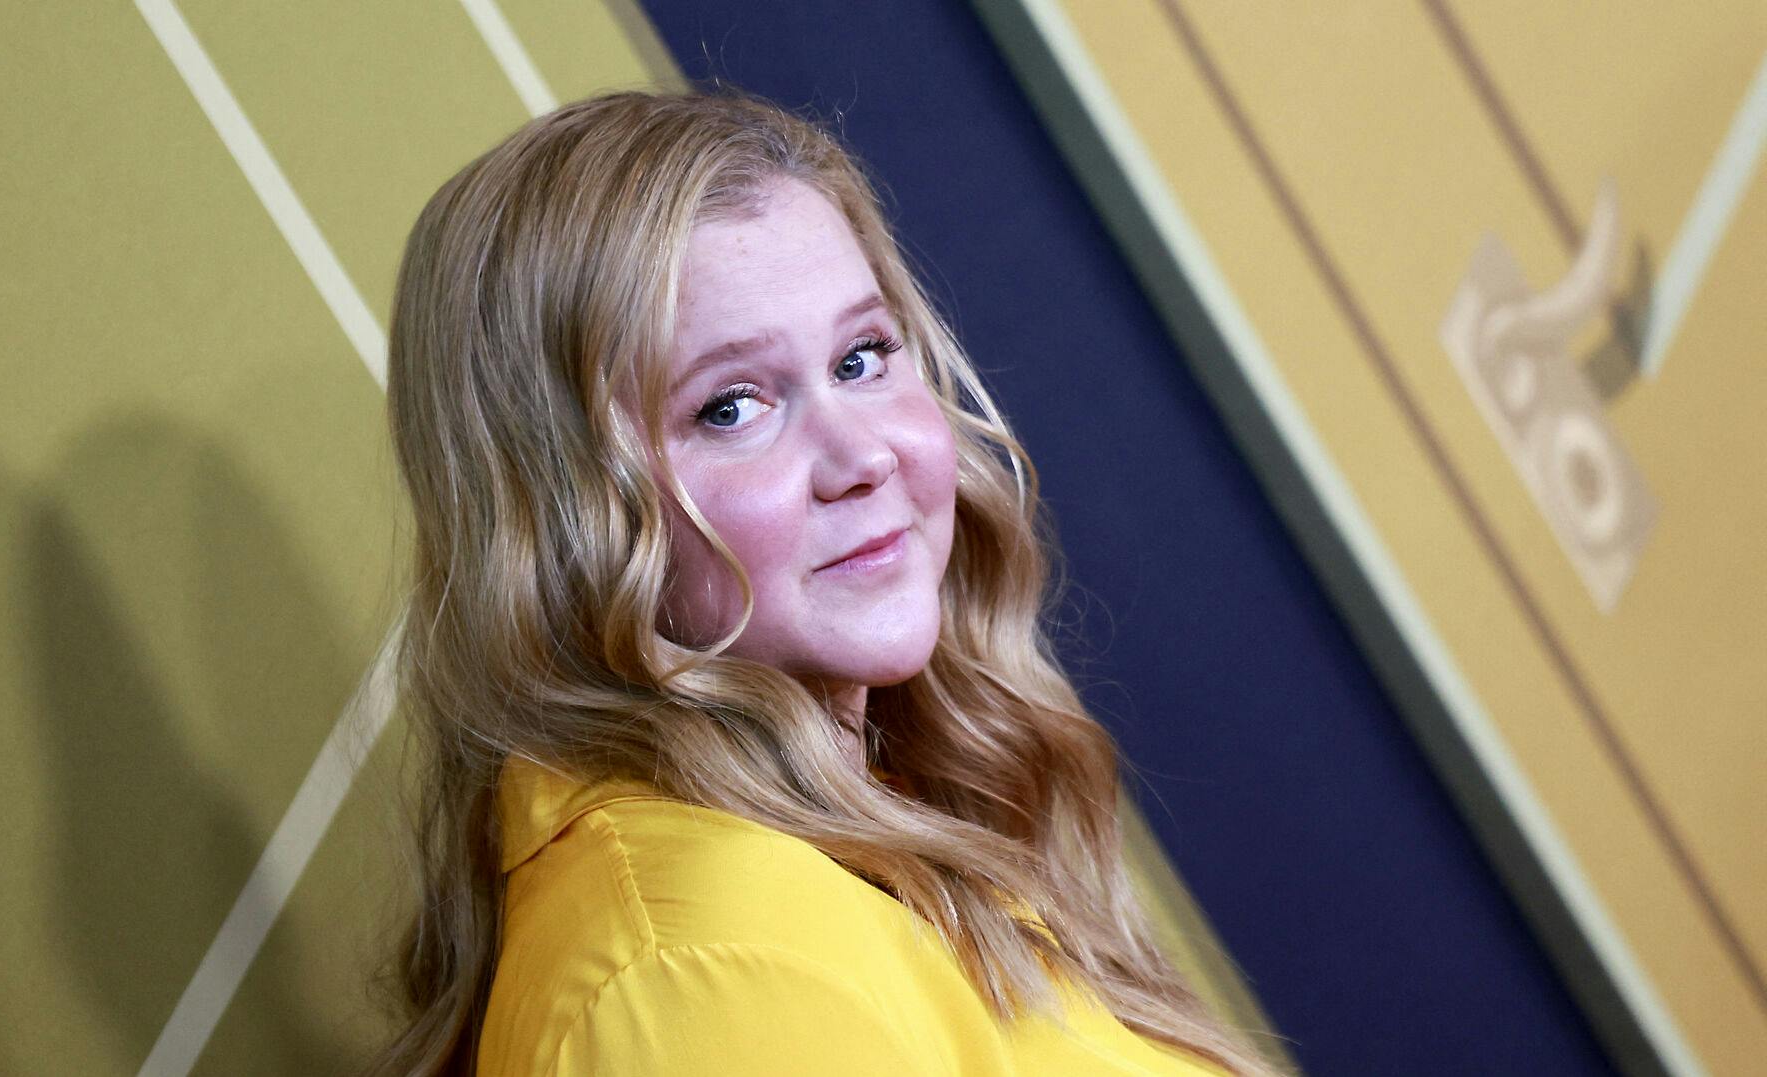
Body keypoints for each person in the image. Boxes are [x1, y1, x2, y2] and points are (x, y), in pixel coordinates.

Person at [371, 90, 1276, 1076]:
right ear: (558, 511)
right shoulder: (701, 975)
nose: (863, 456)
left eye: (862, 357)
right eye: (732, 406)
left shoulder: (871, 818)